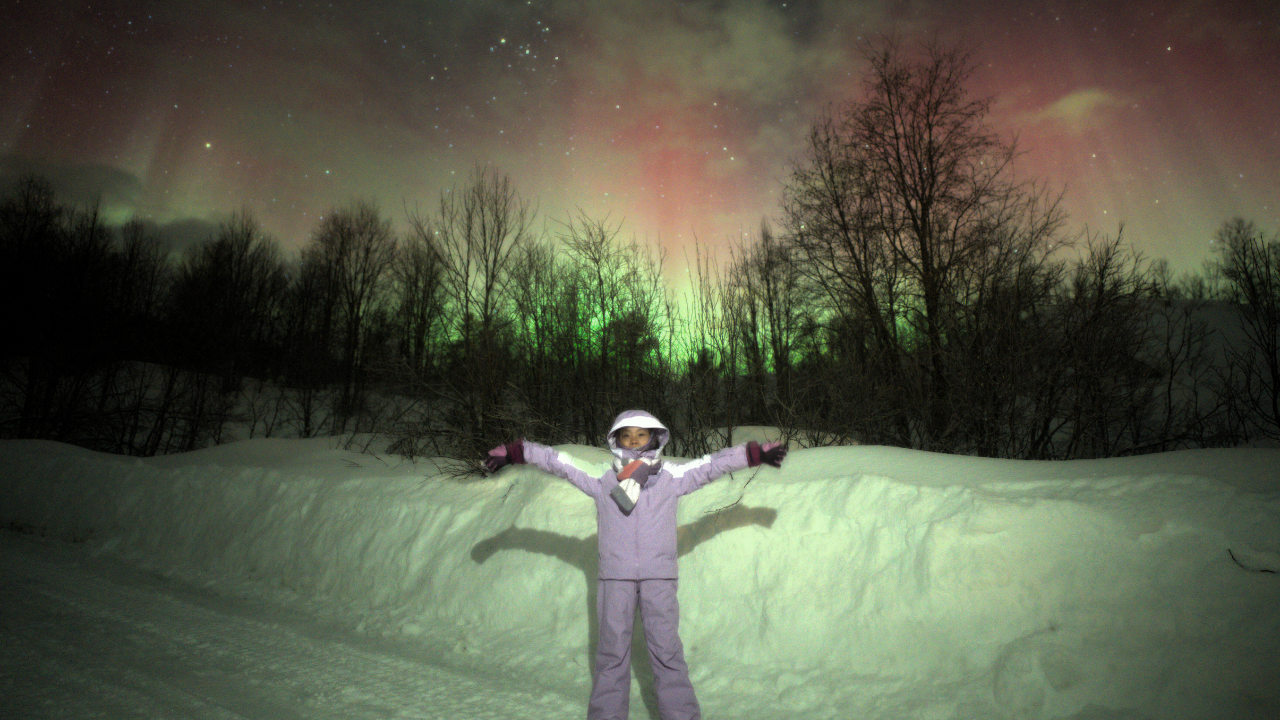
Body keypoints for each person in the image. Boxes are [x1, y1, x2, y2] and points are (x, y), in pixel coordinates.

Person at [483, 409, 786, 720]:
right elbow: (559, 464)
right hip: (615, 579)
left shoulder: (672, 478)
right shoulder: (602, 479)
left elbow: (713, 465)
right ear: (617, 440)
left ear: (653, 437)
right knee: (611, 655)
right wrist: (518, 452)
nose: (634, 441)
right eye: (626, 435)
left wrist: (753, 454)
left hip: (659, 579)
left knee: (667, 654)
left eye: (641, 435)